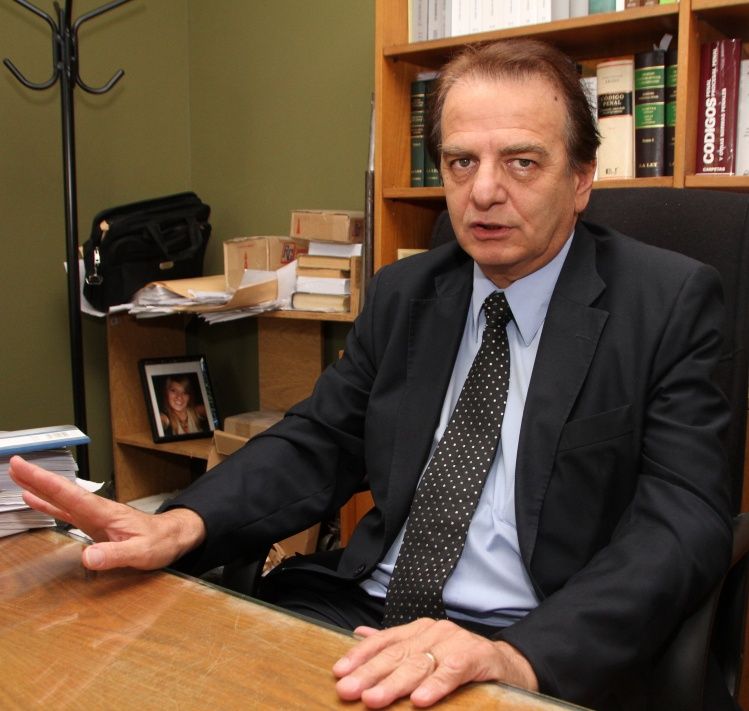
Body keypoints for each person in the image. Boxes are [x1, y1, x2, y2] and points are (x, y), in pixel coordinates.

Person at [9, 38, 734, 711]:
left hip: (533, 634)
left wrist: (514, 655)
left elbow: (681, 520)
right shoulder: (407, 292)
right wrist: (178, 524)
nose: (483, 191)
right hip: (364, 612)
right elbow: (319, 440)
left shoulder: (667, 303)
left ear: (580, 179)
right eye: (460, 162)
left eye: (521, 162)